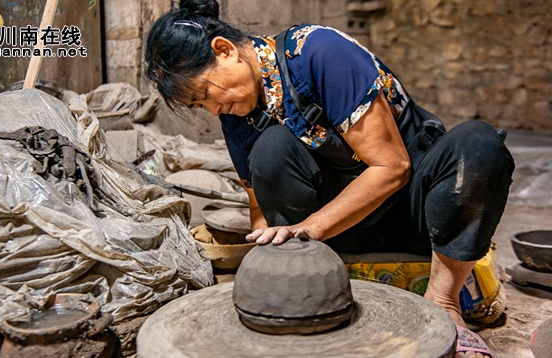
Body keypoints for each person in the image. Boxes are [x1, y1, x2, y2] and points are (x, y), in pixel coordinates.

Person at [144, 1, 514, 357]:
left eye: (206, 94)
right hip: (337, 235)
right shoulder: (237, 114)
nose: (212, 109)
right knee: (271, 148)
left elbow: (392, 168)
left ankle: (444, 301)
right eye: (199, 106)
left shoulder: (317, 53)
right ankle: (320, 282)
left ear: (224, 50)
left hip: (418, 211)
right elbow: (259, 205)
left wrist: (310, 228)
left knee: (478, 145)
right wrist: (268, 265)